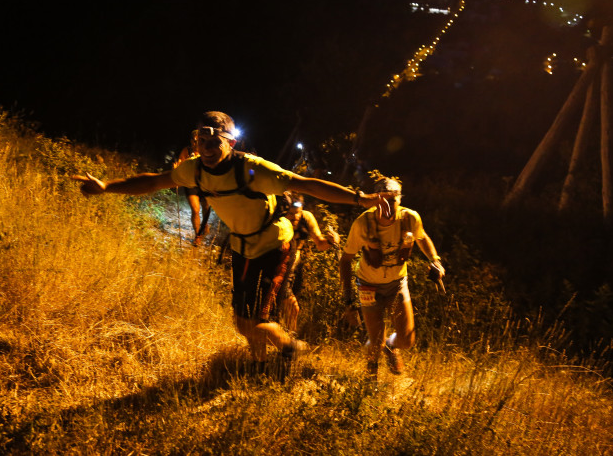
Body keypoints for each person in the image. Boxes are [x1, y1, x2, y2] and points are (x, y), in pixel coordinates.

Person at [73, 111, 390, 371]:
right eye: (201, 139)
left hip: (273, 244)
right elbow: (153, 181)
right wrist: (106, 187)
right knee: (243, 318)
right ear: (195, 142)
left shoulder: (252, 169)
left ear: (231, 142)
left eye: (215, 140)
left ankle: (291, 346)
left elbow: (306, 185)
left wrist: (360, 199)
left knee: (250, 322)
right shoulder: (193, 170)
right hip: (241, 246)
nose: (207, 147)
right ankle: (259, 366)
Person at [339, 177, 445, 378]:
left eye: (393, 200)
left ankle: (390, 346)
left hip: (396, 284)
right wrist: (348, 299)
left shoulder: (409, 218)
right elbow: (345, 260)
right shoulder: (363, 223)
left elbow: (422, 238)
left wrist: (435, 260)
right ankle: (370, 380)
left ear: (400, 200)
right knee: (374, 340)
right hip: (368, 285)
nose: (388, 206)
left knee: (406, 340)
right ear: (376, 200)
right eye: (383, 200)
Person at [279, 193, 340, 334]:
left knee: (288, 307)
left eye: (297, 213)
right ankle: (289, 342)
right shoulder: (278, 219)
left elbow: (320, 243)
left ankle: (285, 338)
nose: (295, 217)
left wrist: (331, 241)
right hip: (280, 265)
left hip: (296, 266)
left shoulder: (306, 217)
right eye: (291, 213)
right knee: (292, 306)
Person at [174, 129, 211, 246]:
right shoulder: (187, 151)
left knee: (206, 208)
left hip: (205, 185)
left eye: (199, 140)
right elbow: (180, 164)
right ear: (191, 141)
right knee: (195, 210)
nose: (196, 143)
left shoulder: (206, 150)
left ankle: (204, 224)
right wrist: (176, 169)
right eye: (194, 141)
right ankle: (197, 236)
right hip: (190, 184)